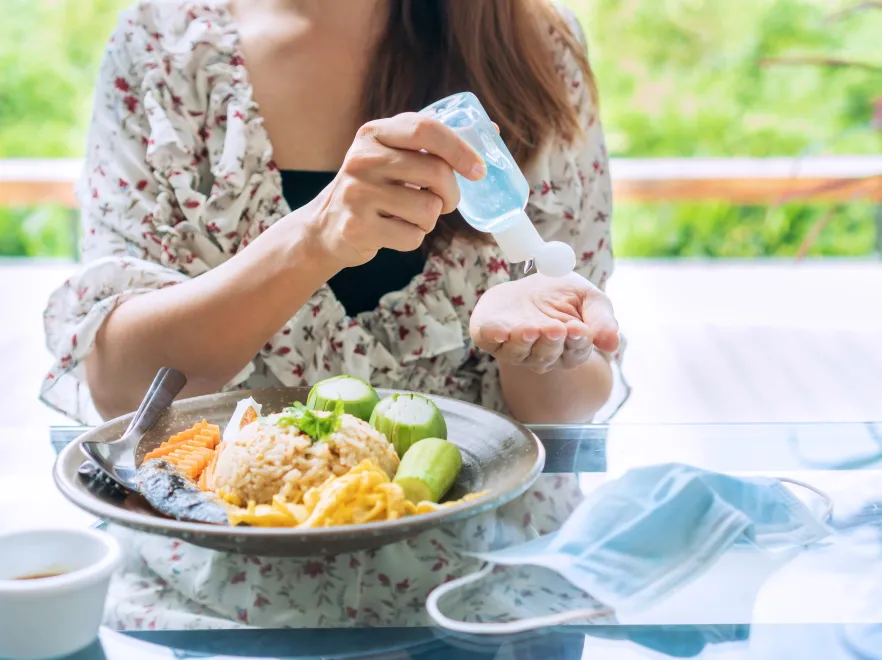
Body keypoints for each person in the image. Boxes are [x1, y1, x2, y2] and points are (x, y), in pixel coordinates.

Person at [42, 0, 628, 630]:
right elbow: (121, 389)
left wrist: (542, 344)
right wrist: (312, 239)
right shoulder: (165, 47)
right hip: (213, 603)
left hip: (489, 599)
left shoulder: (531, 41)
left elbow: (568, 408)